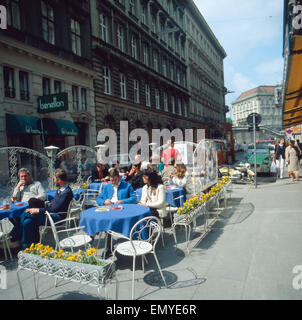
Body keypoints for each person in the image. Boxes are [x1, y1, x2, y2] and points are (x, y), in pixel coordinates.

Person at [10, 168, 74, 249]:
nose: (53, 181)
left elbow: (54, 209)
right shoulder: (61, 190)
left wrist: (37, 210)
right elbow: (52, 207)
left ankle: (13, 237)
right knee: (27, 222)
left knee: (26, 214)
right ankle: (26, 247)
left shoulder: (66, 192)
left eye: (54, 179)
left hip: (56, 217)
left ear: (59, 180)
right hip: (50, 214)